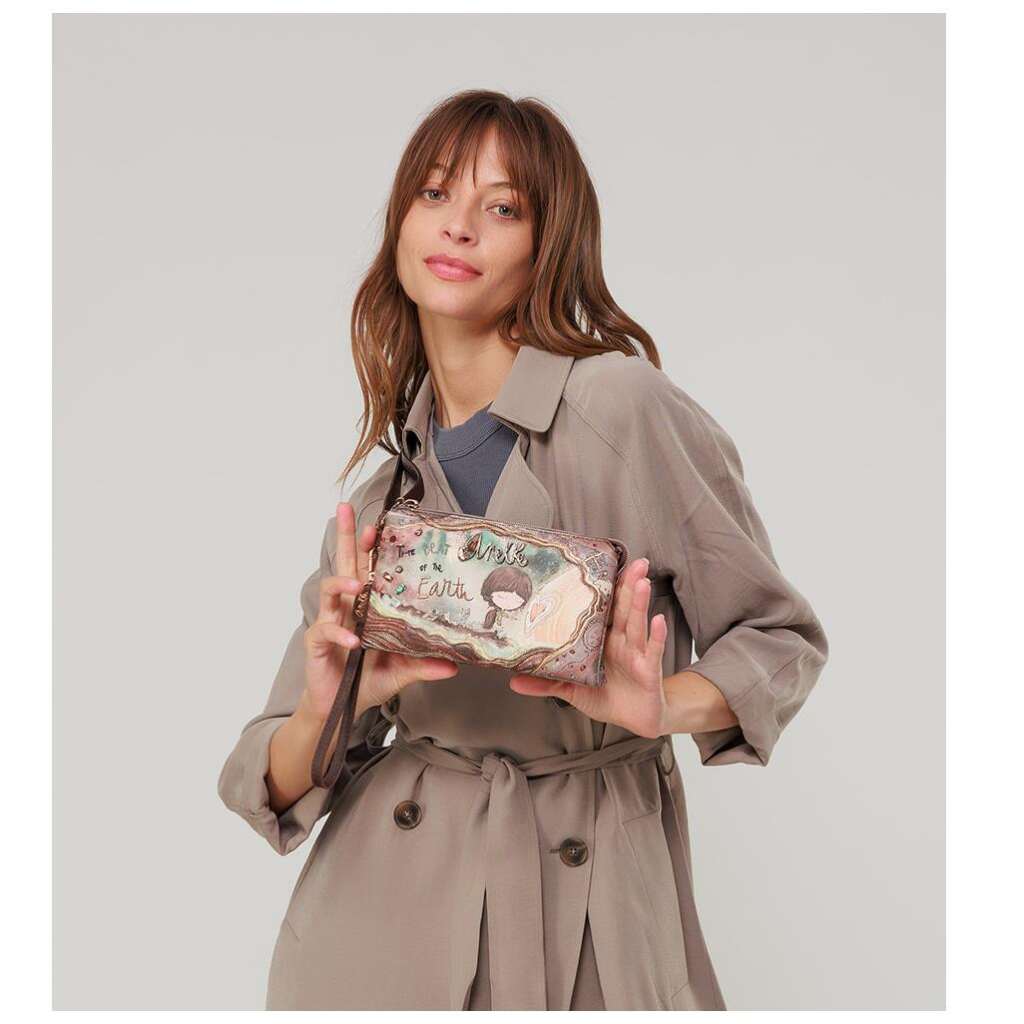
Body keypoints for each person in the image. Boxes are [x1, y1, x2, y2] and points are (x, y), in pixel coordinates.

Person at [217, 89, 830, 1011]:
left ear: (550, 245)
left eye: (502, 207)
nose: (458, 225)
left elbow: (779, 639)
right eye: (433, 193)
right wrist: (331, 702)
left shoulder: (621, 408)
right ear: (399, 226)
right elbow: (270, 776)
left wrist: (662, 706)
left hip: (587, 900)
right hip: (376, 931)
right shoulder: (382, 501)